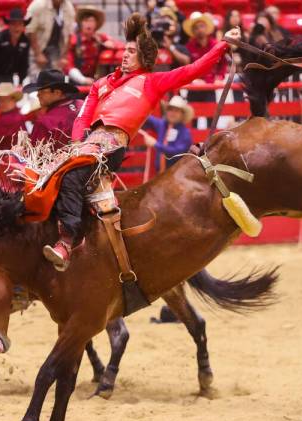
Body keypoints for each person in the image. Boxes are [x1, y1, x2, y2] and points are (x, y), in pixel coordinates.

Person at [34, 13, 240, 271]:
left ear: (144, 57)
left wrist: (222, 45)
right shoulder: (102, 83)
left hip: (112, 145)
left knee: (72, 177)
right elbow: (84, 116)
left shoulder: (152, 82)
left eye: (131, 51)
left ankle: (67, 242)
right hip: (87, 145)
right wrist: (78, 144)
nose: (125, 54)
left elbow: (191, 71)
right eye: (125, 49)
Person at [183, 12, 225, 128]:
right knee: (192, 120)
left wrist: (220, 76)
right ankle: (192, 145)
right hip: (194, 88)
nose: (199, 30)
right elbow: (186, 68)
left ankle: (210, 145)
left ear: (207, 28)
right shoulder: (188, 47)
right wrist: (193, 80)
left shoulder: (216, 45)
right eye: (196, 28)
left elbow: (223, 63)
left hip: (210, 87)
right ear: (193, 31)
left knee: (211, 120)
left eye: (201, 26)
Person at [24, 69, 82, 149]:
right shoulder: (82, 105)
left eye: (42, 91)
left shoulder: (44, 122)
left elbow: (34, 155)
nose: (38, 95)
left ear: (57, 93)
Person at [139, 95, 194, 172]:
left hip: (176, 173)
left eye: (176, 111)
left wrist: (155, 144)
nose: (172, 113)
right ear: (166, 111)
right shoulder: (162, 125)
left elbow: (176, 152)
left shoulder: (185, 133)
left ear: (182, 115)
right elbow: (147, 118)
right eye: (170, 109)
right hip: (160, 173)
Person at [25, 0, 76, 80]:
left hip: (57, 51)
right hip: (38, 48)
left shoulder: (68, 7)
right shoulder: (38, 5)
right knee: (36, 81)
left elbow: (70, 33)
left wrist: (64, 56)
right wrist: (38, 54)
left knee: (56, 82)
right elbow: (30, 30)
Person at [66, 6, 116, 86]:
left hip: (96, 81)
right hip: (76, 82)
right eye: (86, 21)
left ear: (96, 24)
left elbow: (114, 43)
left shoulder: (101, 38)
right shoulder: (73, 40)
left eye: (92, 21)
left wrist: (109, 43)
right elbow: (68, 65)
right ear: (81, 23)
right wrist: (82, 80)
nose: (89, 24)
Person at [0, 83, 27, 150]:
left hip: (7, 157)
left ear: (14, 100)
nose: (2, 103)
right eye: (0, 100)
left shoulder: (10, 118)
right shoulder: (14, 115)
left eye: (5, 100)